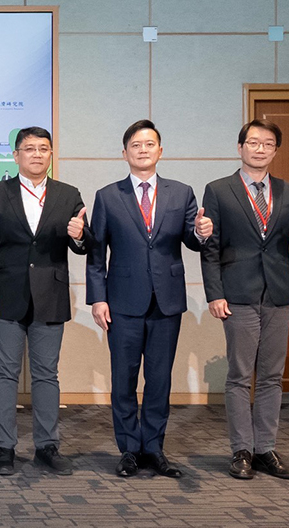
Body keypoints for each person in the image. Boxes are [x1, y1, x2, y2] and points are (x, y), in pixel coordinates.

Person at [201, 119, 289, 480]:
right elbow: (210, 248)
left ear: (275, 151)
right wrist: (215, 294)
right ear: (240, 147)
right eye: (253, 142)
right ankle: (241, 450)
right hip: (237, 295)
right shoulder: (218, 190)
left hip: (277, 294)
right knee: (239, 375)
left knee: (271, 376)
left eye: (267, 144)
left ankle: (265, 449)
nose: (259, 149)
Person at [85, 120, 212, 478]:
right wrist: (97, 299)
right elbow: (96, 254)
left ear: (160, 150)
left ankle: (154, 448)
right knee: (123, 379)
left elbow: (191, 239)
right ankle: (129, 449)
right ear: (124, 153)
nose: (143, 150)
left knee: (159, 379)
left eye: (149, 144)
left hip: (166, 302)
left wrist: (202, 233)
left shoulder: (181, 193)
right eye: (136, 145)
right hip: (121, 301)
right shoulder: (108, 196)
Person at [0, 126, 87, 476]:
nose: (36, 154)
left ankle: (47, 446)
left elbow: (85, 243)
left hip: (50, 296)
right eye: (29, 148)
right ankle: (4, 448)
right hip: (6, 296)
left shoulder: (68, 194)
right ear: (16, 155)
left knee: (46, 375)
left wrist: (80, 236)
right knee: (5, 374)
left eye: (43, 148)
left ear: (51, 154)